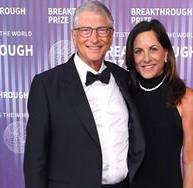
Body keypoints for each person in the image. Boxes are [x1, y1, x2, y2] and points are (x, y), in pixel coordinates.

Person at [23, 1, 144, 188]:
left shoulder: (124, 78)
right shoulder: (46, 85)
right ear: (74, 35)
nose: (94, 39)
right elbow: (34, 160)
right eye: (85, 30)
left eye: (102, 30)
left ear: (111, 36)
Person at [125, 19, 193, 188]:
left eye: (153, 49)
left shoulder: (185, 98)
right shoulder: (123, 93)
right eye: (138, 51)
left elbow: (190, 160)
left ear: (166, 53)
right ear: (133, 56)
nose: (146, 58)